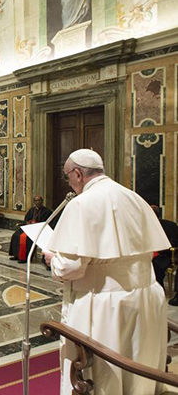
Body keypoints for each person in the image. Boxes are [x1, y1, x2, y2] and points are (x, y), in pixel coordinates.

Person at [42, 149, 169, 395]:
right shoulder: (133, 197)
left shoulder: (81, 204)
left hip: (104, 304)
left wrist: (52, 259)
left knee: (104, 373)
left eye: (68, 177)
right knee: (137, 362)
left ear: (77, 173)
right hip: (145, 296)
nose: (69, 183)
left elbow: (71, 268)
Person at [9, 195, 53, 263]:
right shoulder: (31, 210)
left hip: (38, 230)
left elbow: (47, 223)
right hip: (29, 228)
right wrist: (28, 223)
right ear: (34, 202)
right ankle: (16, 255)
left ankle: (25, 258)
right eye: (36, 200)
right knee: (16, 235)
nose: (38, 202)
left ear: (42, 201)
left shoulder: (47, 211)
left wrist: (35, 225)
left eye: (39, 200)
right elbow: (26, 219)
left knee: (27, 238)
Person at [149, 205, 178, 302]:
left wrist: (159, 249)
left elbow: (174, 242)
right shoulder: (145, 225)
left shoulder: (169, 225)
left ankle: (159, 289)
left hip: (165, 254)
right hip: (149, 253)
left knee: (156, 263)